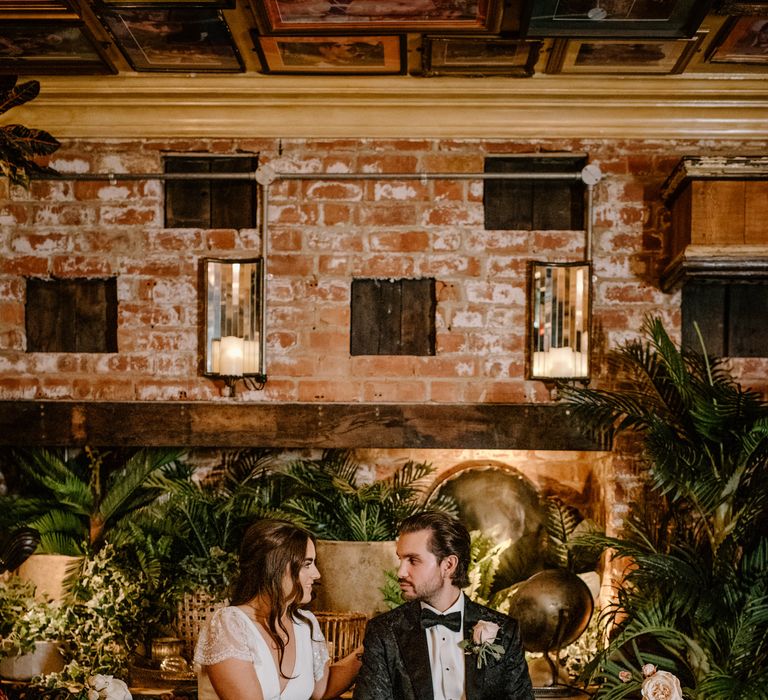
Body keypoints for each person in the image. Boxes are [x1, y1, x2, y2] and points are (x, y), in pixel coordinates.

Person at [353, 511, 534, 700]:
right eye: (401, 559)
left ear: (448, 565)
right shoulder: (384, 632)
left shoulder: (505, 631)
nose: (401, 572)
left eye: (413, 560)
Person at [194, 519, 362, 700]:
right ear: (275, 567)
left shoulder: (304, 624)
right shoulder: (230, 624)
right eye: (307, 564)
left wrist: (374, 644)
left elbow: (323, 688)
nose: (316, 574)